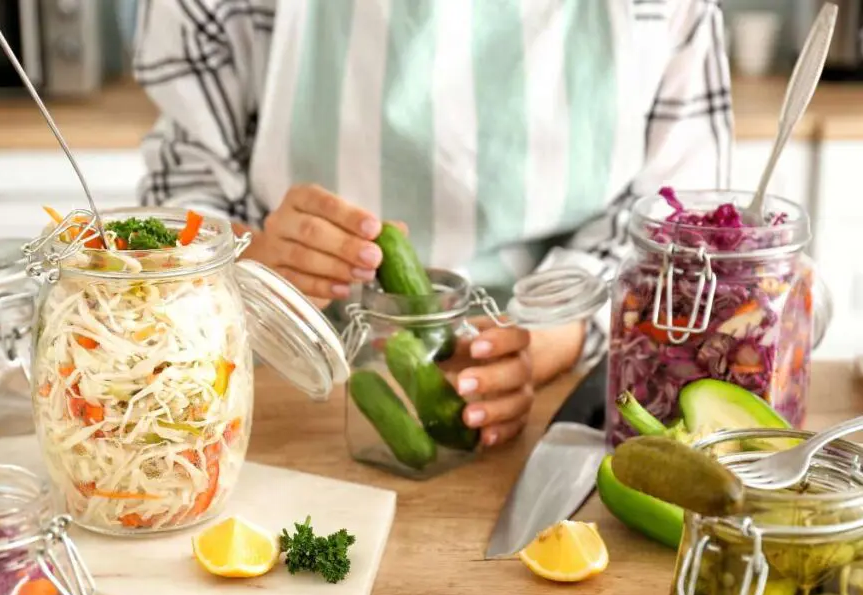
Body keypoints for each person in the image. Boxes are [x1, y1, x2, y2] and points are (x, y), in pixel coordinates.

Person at [131, 0, 732, 447]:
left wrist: (545, 342)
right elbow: (186, 188)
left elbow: (678, 238)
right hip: (271, 383)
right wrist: (245, 258)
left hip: (557, 387)